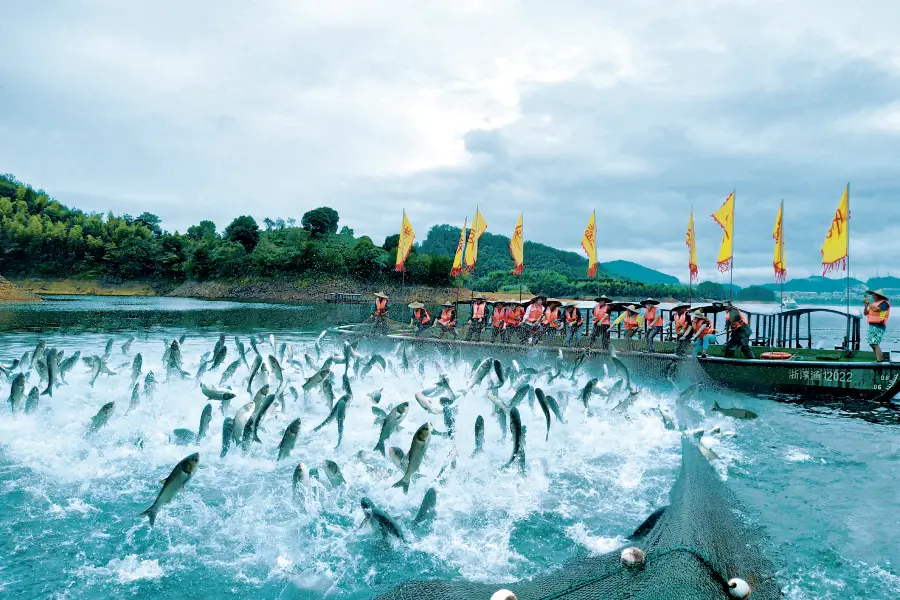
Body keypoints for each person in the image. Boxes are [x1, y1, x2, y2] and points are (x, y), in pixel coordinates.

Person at [863, 289, 891, 362]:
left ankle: (879, 360)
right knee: (871, 343)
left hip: (879, 325)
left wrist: (868, 303)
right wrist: (866, 306)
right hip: (872, 325)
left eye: (874, 295)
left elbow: (876, 310)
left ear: (878, 296)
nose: (872, 296)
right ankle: (878, 359)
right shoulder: (873, 304)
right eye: (872, 295)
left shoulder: (885, 304)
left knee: (875, 343)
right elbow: (865, 313)